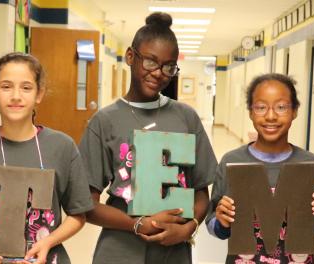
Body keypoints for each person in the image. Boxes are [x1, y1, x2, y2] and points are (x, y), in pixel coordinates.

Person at [79, 12, 217, 263]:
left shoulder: (186, 118)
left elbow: (200, 192)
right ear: (130, 57)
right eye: (151, 62)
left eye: (169, 66)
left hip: (173, 250)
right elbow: (87, 205)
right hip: (120, 249)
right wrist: (138, 224)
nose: (159, 73)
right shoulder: (105, 121)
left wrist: (189, 227)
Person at [0, 52, 94, 264]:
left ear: (39, 94)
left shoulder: (62, 147)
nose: (16, 96)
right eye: (6, 86)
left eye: (26, 87)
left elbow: (78, 215)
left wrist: (48, 241)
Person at [205, 73, 314, 264]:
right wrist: (222, 223)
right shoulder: (231, 162)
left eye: (281, 107)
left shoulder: (310, 164)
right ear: (250, 112)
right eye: (261, 107)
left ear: (295, 111)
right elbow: (213, 223)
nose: (271, 116)